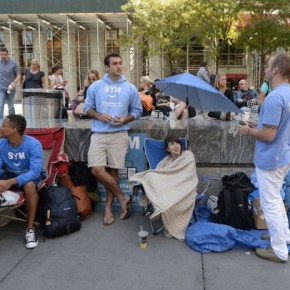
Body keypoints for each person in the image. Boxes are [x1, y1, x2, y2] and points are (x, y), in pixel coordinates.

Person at [239, 53, 290, 263]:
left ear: (276, 69)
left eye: (268, 66)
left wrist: (248, 131)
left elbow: (269, 135)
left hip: (270, 159)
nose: (266, 69)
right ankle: (283, 236)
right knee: (276, 200)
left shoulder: (274, 97)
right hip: (283, 156)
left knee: (270, 203)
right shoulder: (287, 93)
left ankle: (279, 250)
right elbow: (277, 127)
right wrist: (257, 125)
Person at [84, 52, 142, 226]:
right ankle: (123, 197)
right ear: (107, 67)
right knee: (96, 169)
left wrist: (126, 119)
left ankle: (109, 207)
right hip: (99, 134)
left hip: (119, 134)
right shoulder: (96, 86)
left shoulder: (130, 88)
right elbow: (87, 108)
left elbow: (137, 111)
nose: (119, 66)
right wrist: (99, 115)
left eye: (120, 63)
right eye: (114, 63)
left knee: (113, 173)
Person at [128, 135, 198, 240]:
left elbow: (188, 175)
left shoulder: (188, 155)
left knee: (156, 180)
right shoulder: (166, 160)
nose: (176, 146)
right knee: (151, 176)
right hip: (169, 186)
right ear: (167, 149)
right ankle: (160, 206)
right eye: (172, 144)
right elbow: (159, 173)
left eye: (177, 143)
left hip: (185, 187)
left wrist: (170, 181)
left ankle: (160, 207)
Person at [0, 114, 45, 249]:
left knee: (29, 185)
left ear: (13, 130)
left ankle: (30, 229)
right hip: (10, 174)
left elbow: (35, 172)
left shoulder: (33, 144)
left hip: (29, 176)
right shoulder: (2, 144)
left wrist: (10, 182)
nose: (1, 128)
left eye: (3, 126)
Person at [0, 47, 21, 120]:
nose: (3, 56)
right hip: (1, 88)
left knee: (10, 106)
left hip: (11, 88)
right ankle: (0, 122)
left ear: (7, 54)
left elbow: (18, 75)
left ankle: (12, 121)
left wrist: (14, 82)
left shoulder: (13, 63)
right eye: (1, 54)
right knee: (0, 105)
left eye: (4, 54)